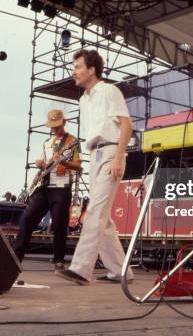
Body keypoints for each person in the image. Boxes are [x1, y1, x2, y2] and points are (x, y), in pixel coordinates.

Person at [56, 49, 133, 285]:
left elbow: (127, 125)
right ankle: (121, 271)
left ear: (91, 69)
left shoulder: (109, 91)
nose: (74, 71)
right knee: (104, 219)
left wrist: (119, 158)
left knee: (95, 212)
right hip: (95, 155)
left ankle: (80, 269)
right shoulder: (83, 100)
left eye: (78, 66)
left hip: (111, 151)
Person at [14, 109, 81, 271]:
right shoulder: (46, 143)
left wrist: (63, 162)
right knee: (28, 219)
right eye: (52, 127)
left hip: (61, 187)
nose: (55, 130)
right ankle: (16, 257)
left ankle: (59, 259)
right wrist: (41, 163)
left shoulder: (72, 141)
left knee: (59, 224)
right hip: (44, 187)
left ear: (63, 123)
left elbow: (78, 166)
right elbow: (43, 161)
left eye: (57, 126)